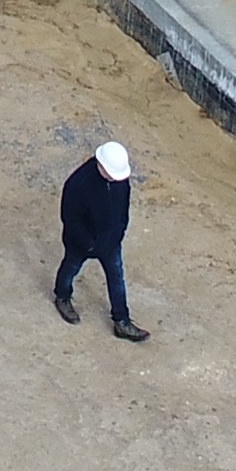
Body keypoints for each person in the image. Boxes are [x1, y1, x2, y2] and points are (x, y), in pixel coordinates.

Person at [53, 141, 147, 342]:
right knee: (70, 269)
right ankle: (62, 296)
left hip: (111, 242)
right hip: (81, 244)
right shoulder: (78, 185)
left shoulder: (119, 179)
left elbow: (123, 206)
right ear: (101, 165)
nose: (116, 178)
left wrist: (120, 231)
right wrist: (88, 244)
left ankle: (121, 320)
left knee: (117, 277)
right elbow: (70, 219)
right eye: (112, 174)